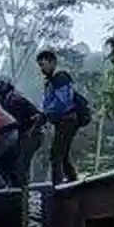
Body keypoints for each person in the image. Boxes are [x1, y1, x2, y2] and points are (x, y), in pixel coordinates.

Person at [38, 49, 88, 186]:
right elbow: (47, 102)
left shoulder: (60, 78)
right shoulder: (50, 81)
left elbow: (62, 102)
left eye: (43, 64)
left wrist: (46, 113)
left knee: (56, 154)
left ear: (52, 62)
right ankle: (71, 179)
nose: (41, 69)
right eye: (40, 66)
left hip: (68, 119)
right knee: (63, 153)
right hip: (61, 121)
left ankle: (58, 185)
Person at [0, 76, 44, 186]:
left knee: (20, 166)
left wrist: (30, 132)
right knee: (7, 162)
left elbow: (39, 116)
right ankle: (15, 189)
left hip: (32, 134)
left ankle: (23, 194)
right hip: (21, 136)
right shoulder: (6, 102)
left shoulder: (15, 99)